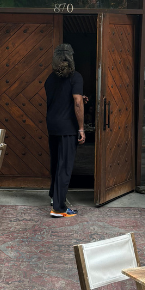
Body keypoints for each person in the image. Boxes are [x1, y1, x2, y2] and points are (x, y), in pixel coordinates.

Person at [44, 44, 85, 218]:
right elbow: (76, 103)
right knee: (65, 166)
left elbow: (61, 99)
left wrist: (80, 98)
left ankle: (55, 197)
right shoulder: (76, 77)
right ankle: (59, 208)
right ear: (71, 59)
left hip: (52, 125)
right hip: (67, 127)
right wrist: (81, 128)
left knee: (56, 163)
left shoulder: (50, 78)